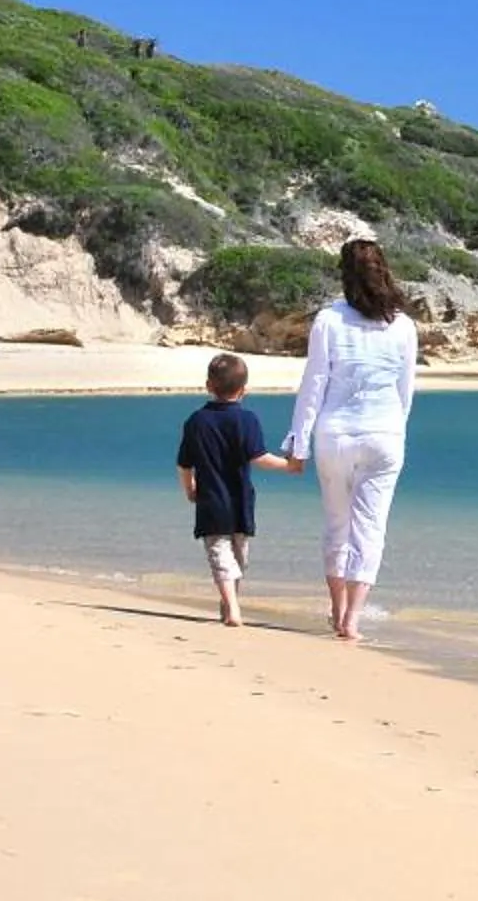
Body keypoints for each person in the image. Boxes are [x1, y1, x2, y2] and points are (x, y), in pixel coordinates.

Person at [283, 237, 420, 641]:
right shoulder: (404, 326)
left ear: (345, 274)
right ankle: (353, 620)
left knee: (337, 524)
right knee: (370, 528)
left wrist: (298, 442)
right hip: (385, 433)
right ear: (385, 271)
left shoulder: (328, 320)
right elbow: (405, 390)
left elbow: (314, 385)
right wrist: (396, 428)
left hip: (335, 433)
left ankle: (337, 609)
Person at [175, 351, 300, 627]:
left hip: (211, 501)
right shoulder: (247, 420)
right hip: (241, 500)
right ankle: (232, 606)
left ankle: (229, 606)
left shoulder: (196, 421)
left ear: (208, 386)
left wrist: (189, 488)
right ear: (244, 390)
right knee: (237, 557)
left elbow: (184, 464)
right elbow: (259, 457)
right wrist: (289, 465)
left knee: (222, 555)